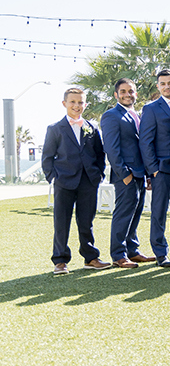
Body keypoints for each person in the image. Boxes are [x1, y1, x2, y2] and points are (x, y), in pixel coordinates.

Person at [42, 87, 110, 274]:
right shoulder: (55, 129)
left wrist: (98, 175)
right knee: (61, 222)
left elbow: (99, 154)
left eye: (80, 102)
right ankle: (60, 261)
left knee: (86, 221)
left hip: (88, 181)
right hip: (64, 182)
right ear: (64, 104)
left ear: (85, 104)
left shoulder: (92, 127)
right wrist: (53, 178)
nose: (77, 105)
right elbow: (47, 157)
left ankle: (91, 257)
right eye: (73, 102)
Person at [101, 78, 154, 268]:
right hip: (126, 175)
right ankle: (118, 255)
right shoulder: (111, 116)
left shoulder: (135, 115)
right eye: (123, 91)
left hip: (140, 173)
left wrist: (147, 174)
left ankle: (133, 251)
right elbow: (111, 149)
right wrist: (124, 174)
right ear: (116, 95)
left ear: (135, 94)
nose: (127, 94)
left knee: (135, 213)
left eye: (130, 91)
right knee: (123, 214)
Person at [139, 70, 170, 267]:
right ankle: (160, 252)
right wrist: (153, 170)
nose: (167, 86)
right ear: (158, 86)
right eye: (163, 83)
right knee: (159, 212)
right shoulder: (151, 109)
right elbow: (145, 141)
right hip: (162, 169)